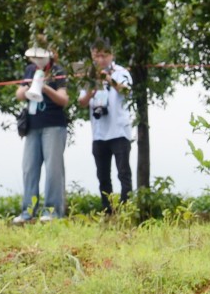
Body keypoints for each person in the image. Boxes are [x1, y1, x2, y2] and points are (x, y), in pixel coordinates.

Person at [14, 46, 69, 223]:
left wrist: (45, 88)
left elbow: (64, 99)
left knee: (53, 169)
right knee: (29, 168)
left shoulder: (58, 70)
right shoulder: (30, 70)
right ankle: (27, 212)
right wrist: (30, 86)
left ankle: (53, 212)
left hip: (53, 124)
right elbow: (19, 94)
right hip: (32, 125)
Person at [80, 38, 135, 210]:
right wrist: (92, 88)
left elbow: (127, 91)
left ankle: (126, 210)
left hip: (119, 131)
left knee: (123, 173)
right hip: (99, 133)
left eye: (104, 56)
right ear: (92, 55)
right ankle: (108, 211)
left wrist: (109, 79)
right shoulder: (89, 76)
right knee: (103, 176)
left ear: (112, 55)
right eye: (97, 56)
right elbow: (82, 101)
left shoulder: (121, 72)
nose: (101, 60)